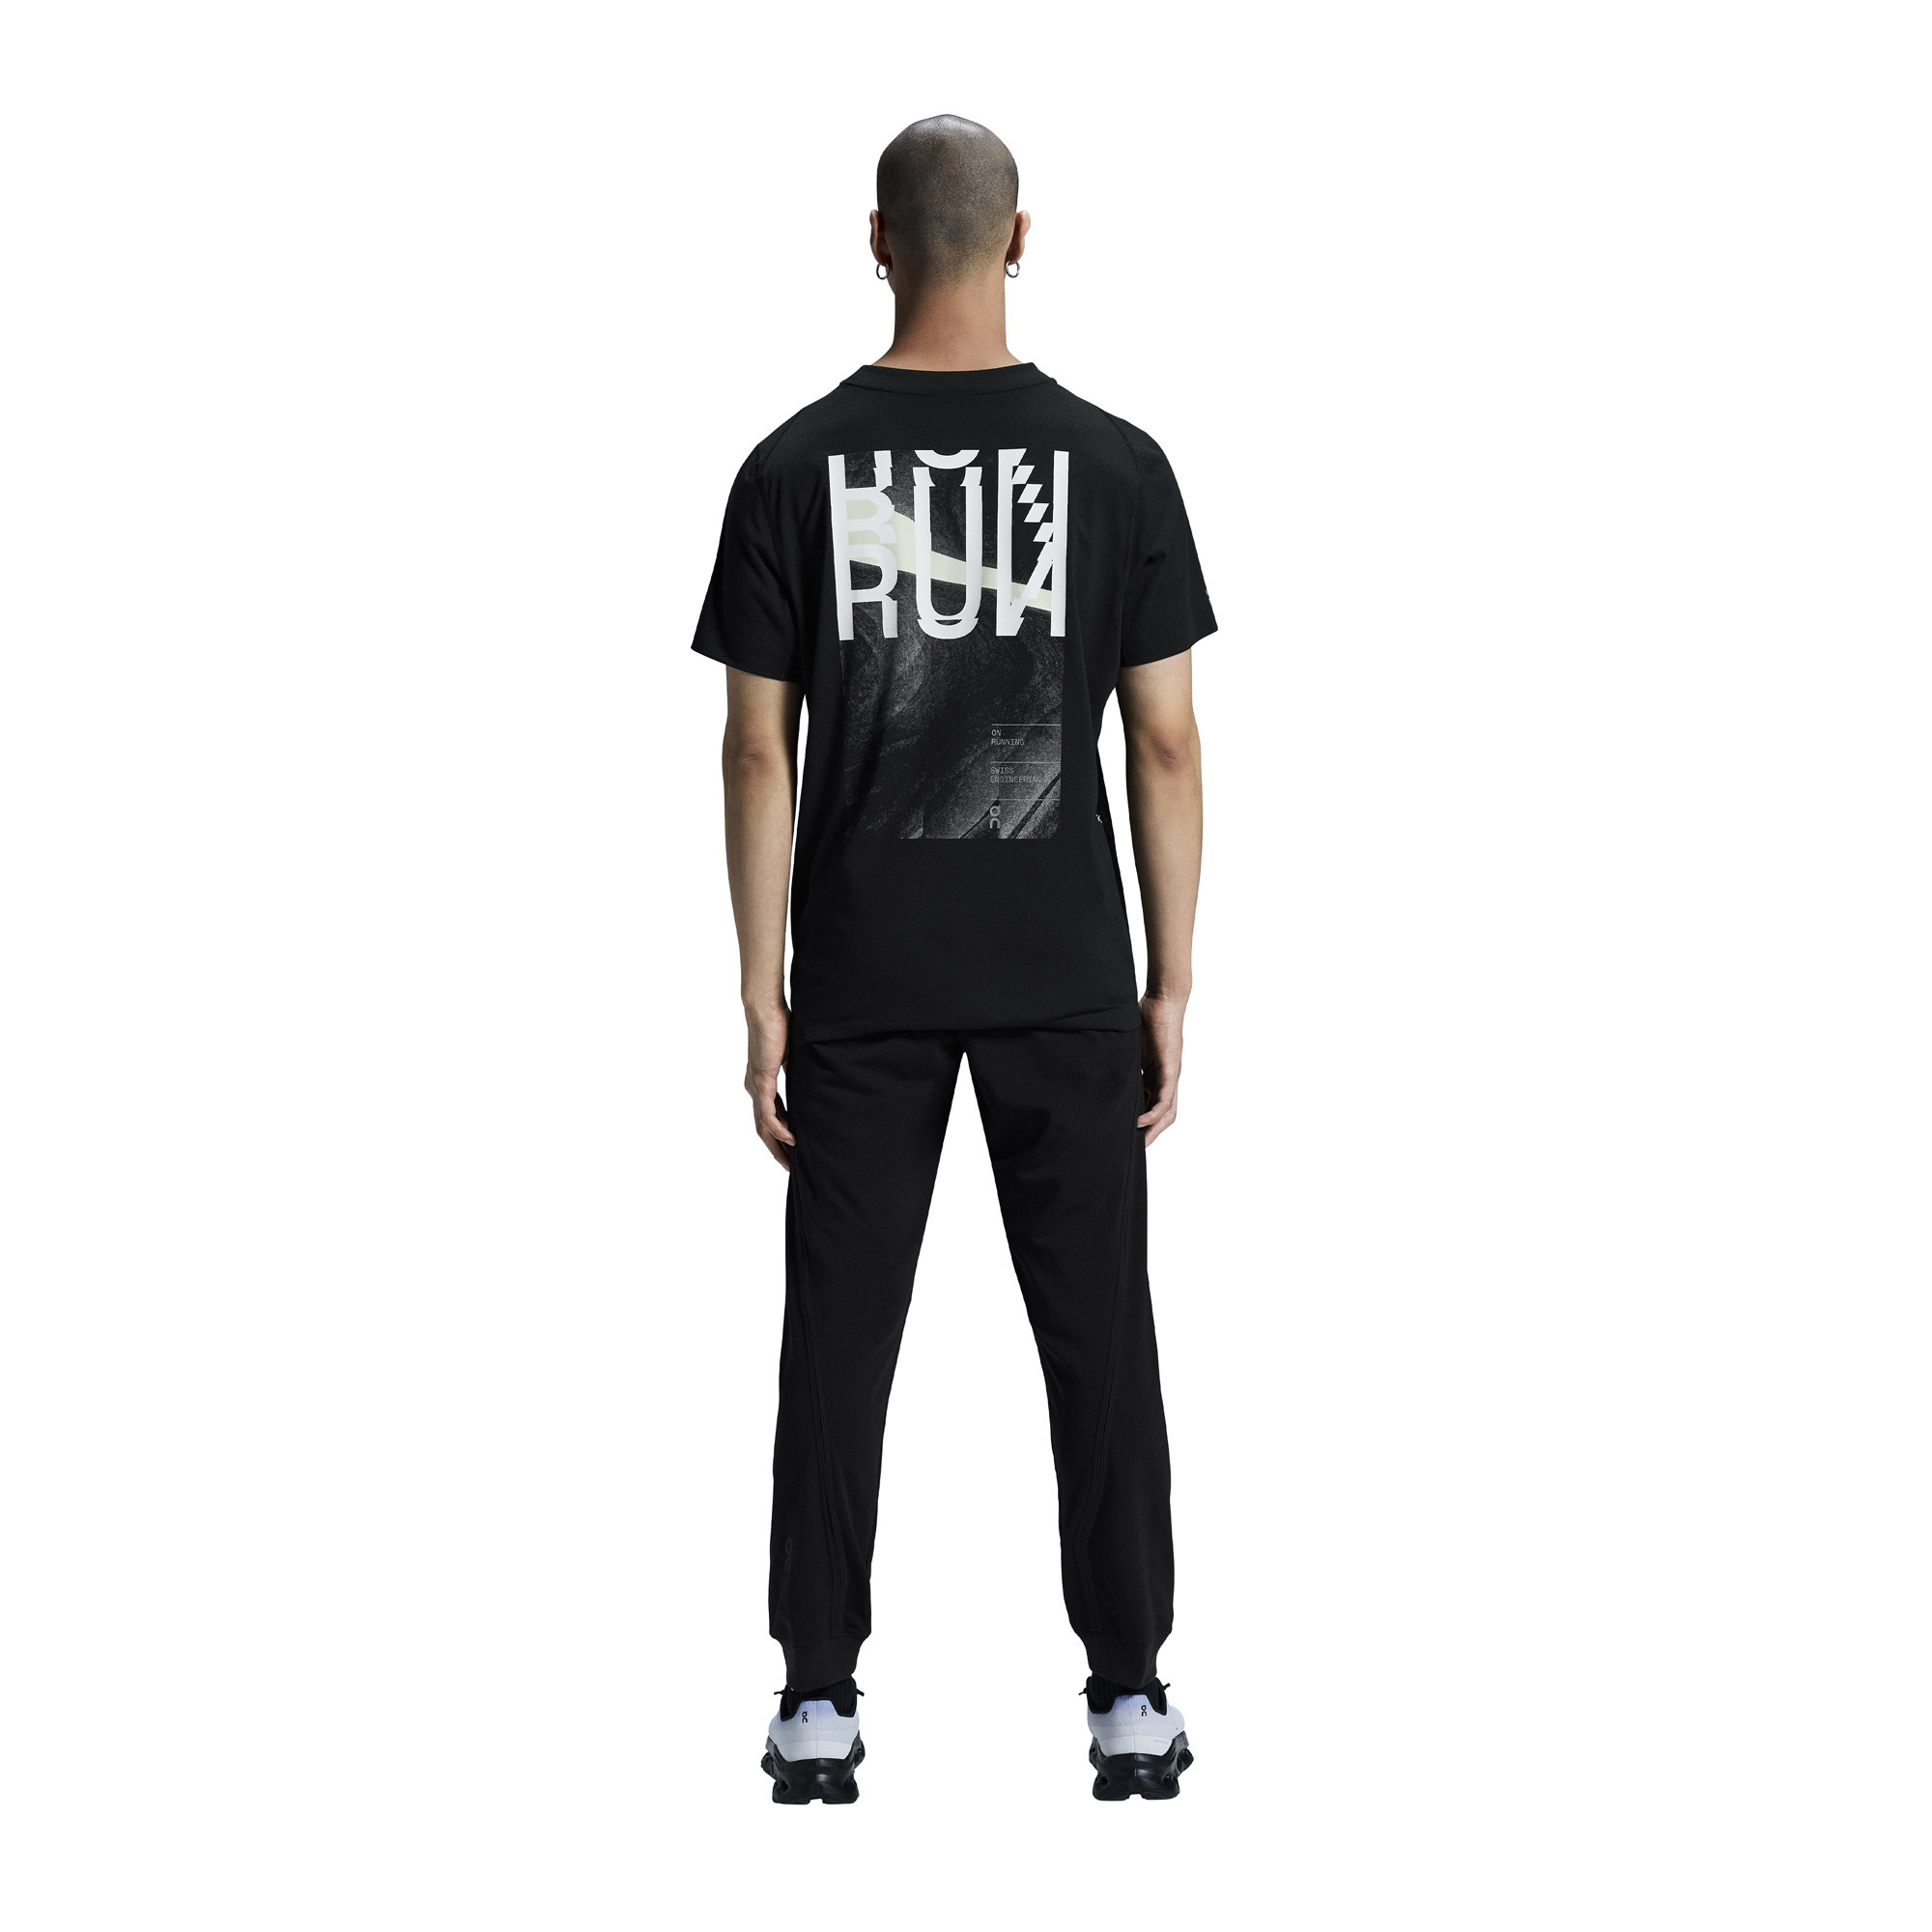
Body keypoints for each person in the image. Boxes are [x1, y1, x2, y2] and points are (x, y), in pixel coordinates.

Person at [693, 114, 1213, 1804]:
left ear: (875, 240)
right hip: (1064, 963)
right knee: (1100, 1339)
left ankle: (815, 1700)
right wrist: (1171, 979)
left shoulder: (790, 470)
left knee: (837, 1340)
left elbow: (756, 748)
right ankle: (1128, 1694)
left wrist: (760, 992)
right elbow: (1165, 742)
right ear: (1020, 237)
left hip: (862, 972)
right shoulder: (1118, 468)